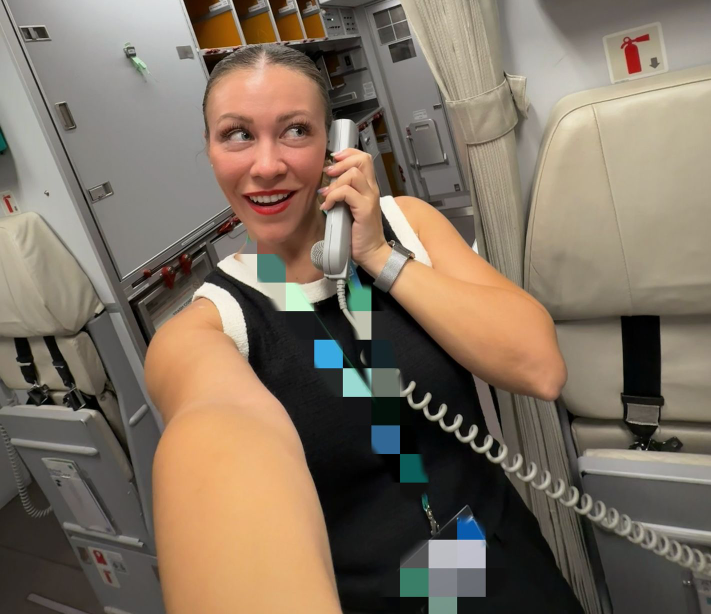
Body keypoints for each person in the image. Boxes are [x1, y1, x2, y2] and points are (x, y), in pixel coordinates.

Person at [144, 44, 584, 614]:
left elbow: (541, 369)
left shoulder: (407, 226)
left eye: (295, 130)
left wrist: (378, 256)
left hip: (500, 556)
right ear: (210, 151)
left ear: (333, 146)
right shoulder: (208, 325)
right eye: (237, 134)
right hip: (384, 602)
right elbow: (214, 436)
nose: (267, 165)